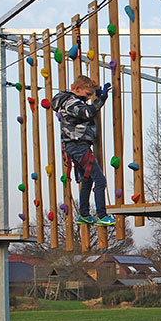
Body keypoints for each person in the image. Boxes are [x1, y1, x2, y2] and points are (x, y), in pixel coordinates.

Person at [51, 75, 116, 227]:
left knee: (87, 179)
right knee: (100, 180)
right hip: (78, 146)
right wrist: (101, 99)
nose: (88, 98)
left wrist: (97, 97)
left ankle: (84, 214)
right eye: (87, 94)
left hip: (78, 146)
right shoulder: (71, 102)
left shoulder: (71, 101)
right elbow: (87, 113)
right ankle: (102, 215)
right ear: (77, 89)